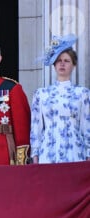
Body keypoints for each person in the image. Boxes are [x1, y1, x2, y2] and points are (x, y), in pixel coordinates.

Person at [30, 35, 90, 164]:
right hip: (48, 151)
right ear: (54, 64)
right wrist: (35, 153)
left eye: (67, 60)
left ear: (73, 65)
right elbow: (36, 127)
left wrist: (88, 153)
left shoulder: (82, 93)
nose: (62, 63)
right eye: (59, 60)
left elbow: (86, 126)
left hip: (75, 151)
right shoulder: (41, 94)